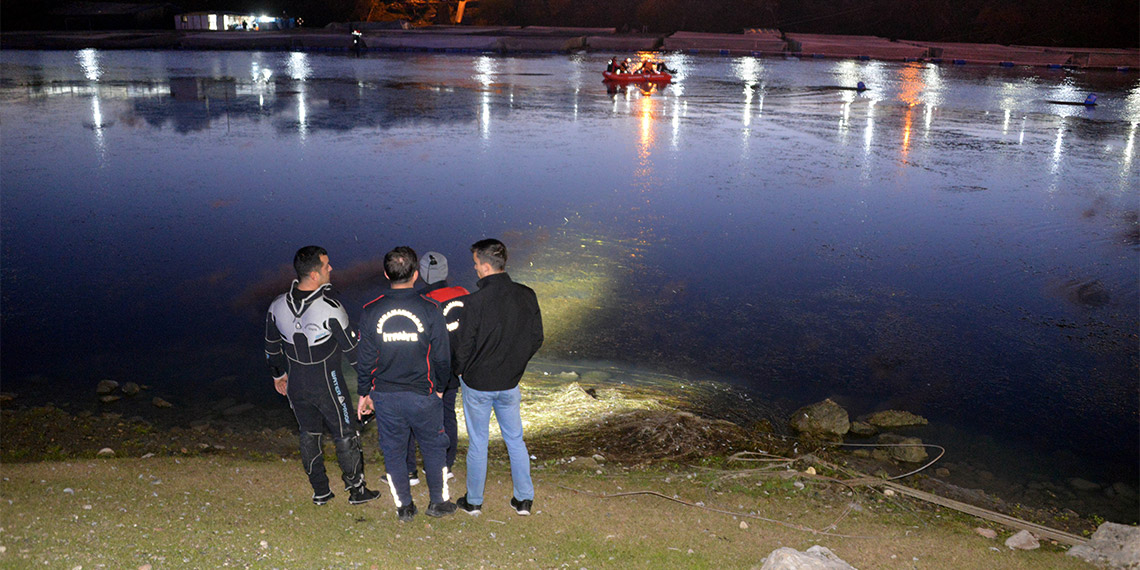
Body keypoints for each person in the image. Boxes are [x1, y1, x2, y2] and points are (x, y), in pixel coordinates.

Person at [265, 246, 381, 506]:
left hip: (296, 383)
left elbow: (271, 347)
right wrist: (368, 388)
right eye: (327, 265)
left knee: (309, 433)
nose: (331, 269)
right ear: (315, 275)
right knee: (345, 433)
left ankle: (320, 491)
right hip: (328, 382)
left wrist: (278, 375)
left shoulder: (276, 306)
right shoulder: (331, 308)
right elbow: (353, 353)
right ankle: (357, 490)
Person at [355, 246, 457, 522]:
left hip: (386, 396)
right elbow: (442, 357)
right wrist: (440, 388)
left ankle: (404, 506)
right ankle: (438, 502)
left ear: (386, 273)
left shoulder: (371, 311)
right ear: (415, 274)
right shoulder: (430, 309)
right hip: (423, 395)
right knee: (434, 447)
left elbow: (365, 359)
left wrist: (364, 393)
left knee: (393, 451)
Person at [454, 239, 543, 516]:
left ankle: (474, 501)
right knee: (515, 440)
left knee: (479, 442)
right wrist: (516, 363)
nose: (475, 269)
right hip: (509, 382)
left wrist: (460, 370)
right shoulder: (527, 295)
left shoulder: (474, 302)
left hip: (478, 384)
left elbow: (464, 346)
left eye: (476, 264)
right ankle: (523, 499)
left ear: (485, 266)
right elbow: (536, 338)